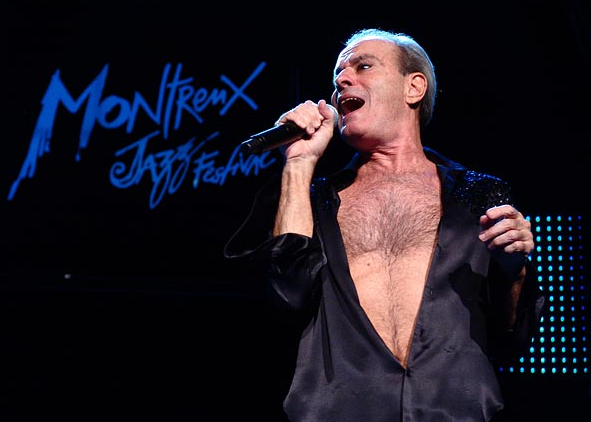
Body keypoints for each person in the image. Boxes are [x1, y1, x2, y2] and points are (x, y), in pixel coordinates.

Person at [224, 28, 544, 422]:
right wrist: (298, 163)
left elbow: (513, 335)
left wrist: (514, 270)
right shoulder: (315, 202)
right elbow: (286, 301)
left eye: (363, 66)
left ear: (414, 87)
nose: (342, 81)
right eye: (338, 75)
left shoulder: (478, 195)